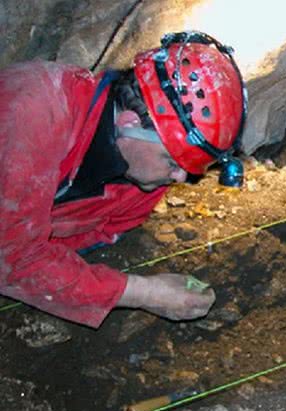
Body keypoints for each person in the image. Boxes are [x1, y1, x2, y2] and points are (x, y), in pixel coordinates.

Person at [0, 31, 247, 328]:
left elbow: (82, 238)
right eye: (173, 161)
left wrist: (52, 265)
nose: (181, 177)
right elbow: (12, 258)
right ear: (130, 124)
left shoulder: (142, 182)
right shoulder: (33, 113)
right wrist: (144, 293)